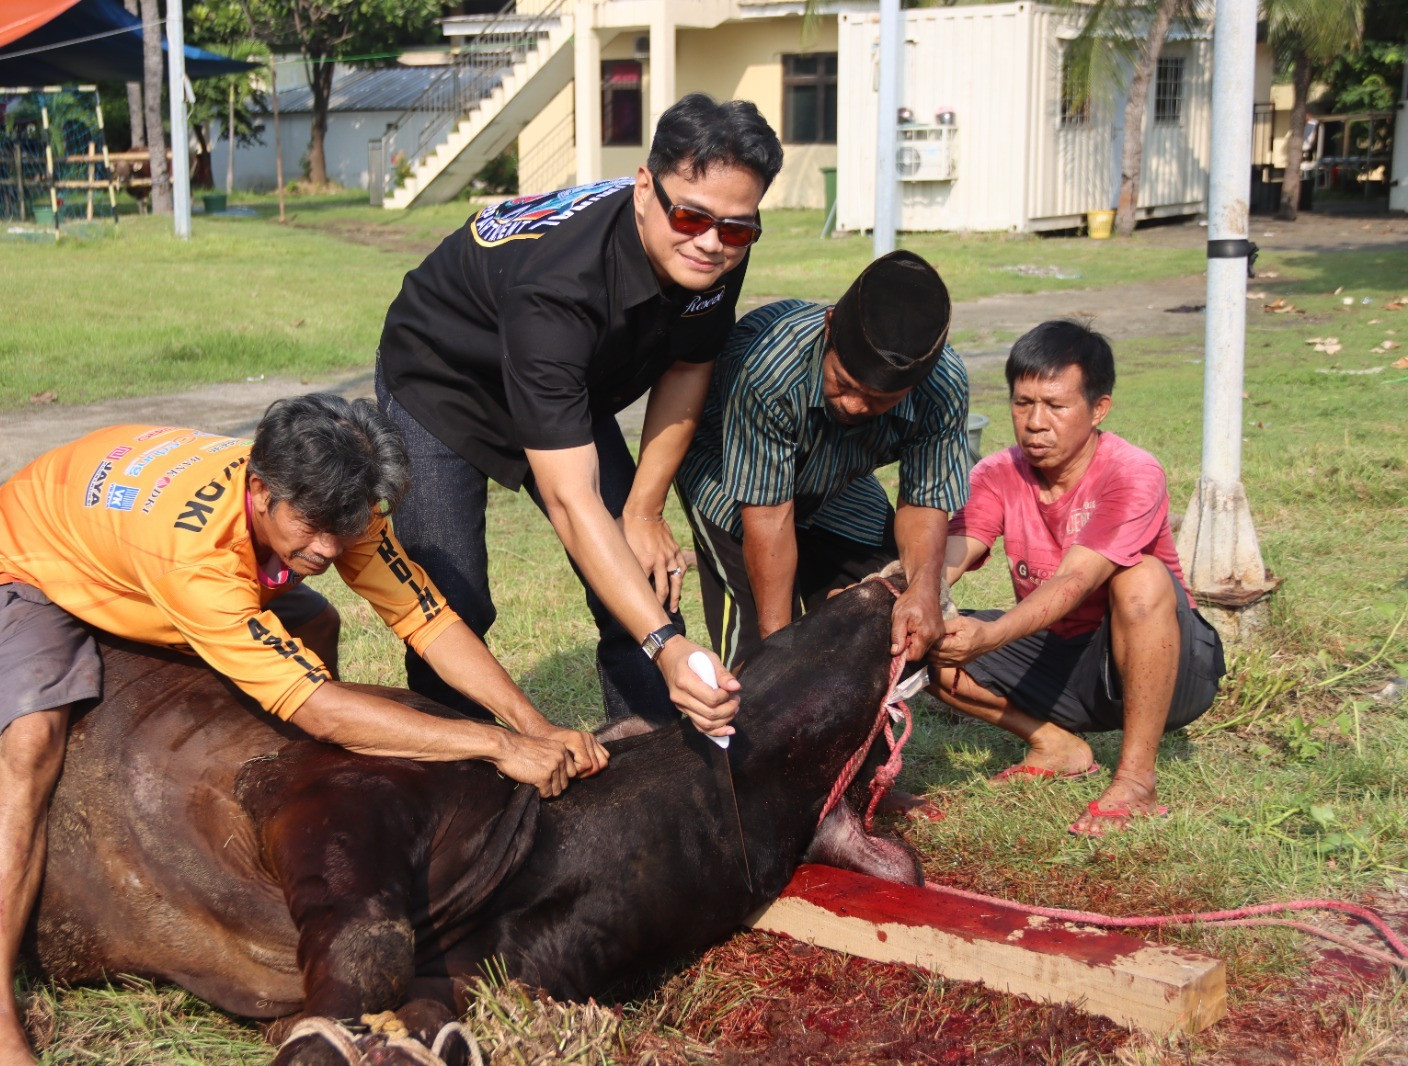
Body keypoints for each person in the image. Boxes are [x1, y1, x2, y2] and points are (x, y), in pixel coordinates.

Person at [0, 394, 607, 1066]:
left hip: (142, 545)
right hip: (34, 562)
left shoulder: (340, 498)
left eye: (343, 529)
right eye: (312, 527)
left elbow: (426, 618)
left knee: (315, 621)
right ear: (262, 491)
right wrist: (497, 744)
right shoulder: (196, 555)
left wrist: (535, 724)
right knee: (32, 742)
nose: (327, 548)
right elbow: (320, 708)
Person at [374, 93, 783, 734]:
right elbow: (573, 502)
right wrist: (666, 646)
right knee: (453, 598)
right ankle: (457, 759)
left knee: (643, 577)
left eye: (735, 228)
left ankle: (646, 743)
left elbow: (688, 364)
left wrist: (644, 510)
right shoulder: (559, 289)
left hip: (567, 377)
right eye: (692, 219)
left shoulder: (722, 236)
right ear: (644, 188)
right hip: (444, 377)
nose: (711, 245)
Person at [927, 321, 1226, 837]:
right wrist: (912, 593)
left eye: (1056, 406)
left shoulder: (1133, 472)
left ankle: (1136, 780)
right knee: (932, 644)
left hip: (1170, 670)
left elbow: (1075, 579)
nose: (1035, 422)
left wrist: (992, 635)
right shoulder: (998, 472)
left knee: (1142, 580)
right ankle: (1057, 746)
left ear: (1099, 409)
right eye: (1023, 404)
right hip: (1062, 653)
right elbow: (956, 549)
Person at [673, 250, 969, 669]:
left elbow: (924, 502)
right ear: (829, 327)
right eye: (844, 382)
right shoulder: (771, 368)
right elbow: (770, 521)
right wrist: (781, 654)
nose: (855, 405)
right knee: (759, 662)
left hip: (836, 480)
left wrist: (922, 590)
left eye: (880, 399)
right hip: (730, 474)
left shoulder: (943, 386)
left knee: (887, 612)